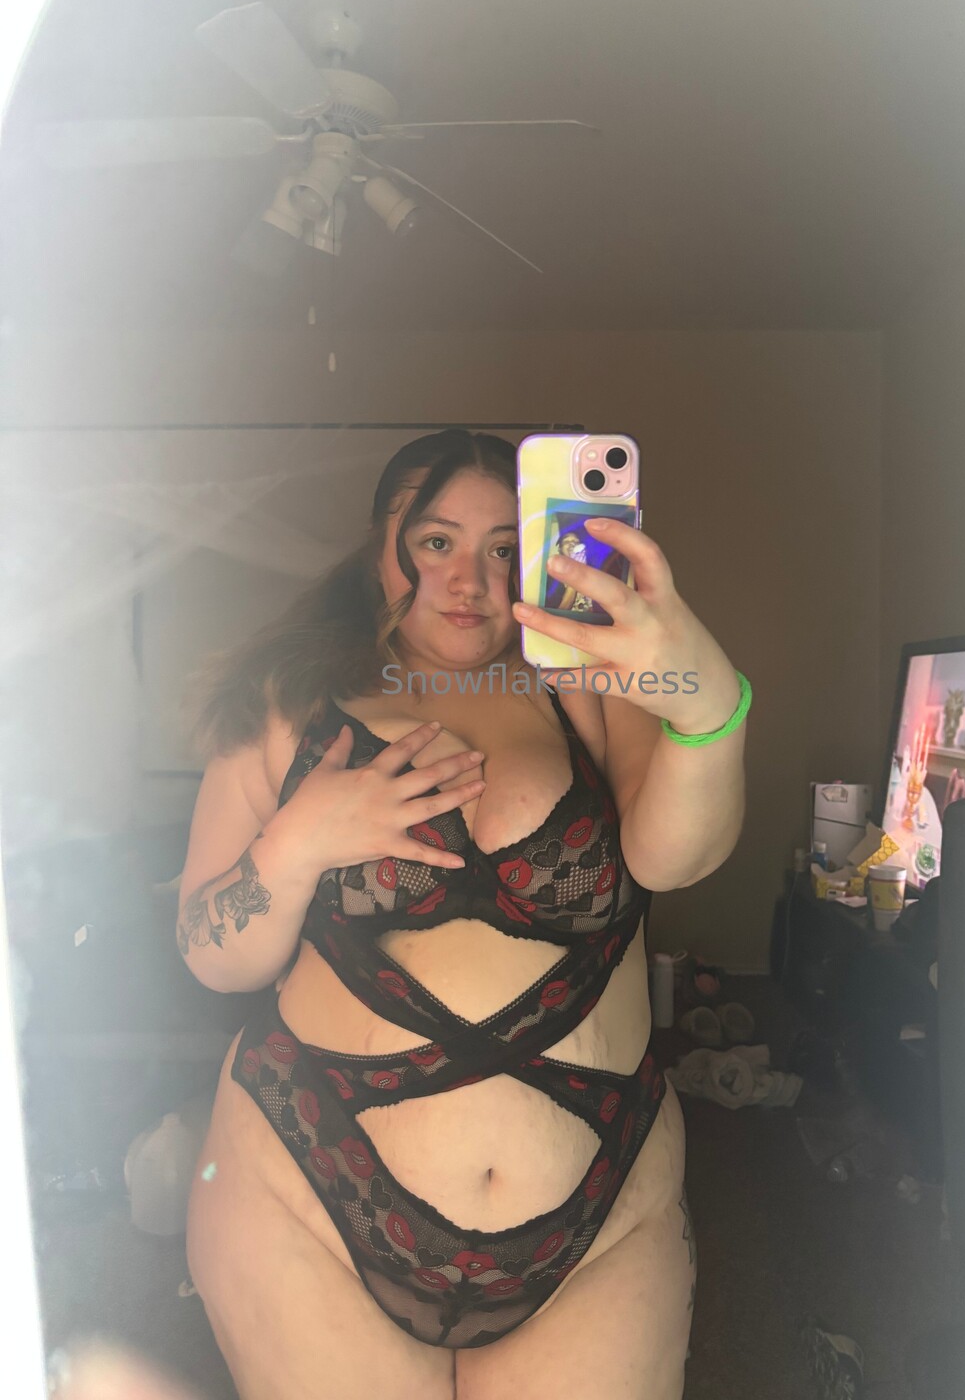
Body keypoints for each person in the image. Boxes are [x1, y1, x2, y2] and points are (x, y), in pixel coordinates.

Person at [178, 429, 747, 1400]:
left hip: (602, 1209)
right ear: (381, 547)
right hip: (306, 1184)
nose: (470, 581)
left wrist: (705, 701)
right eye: (436, 541)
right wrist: (296, 844)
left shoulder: (590, 686)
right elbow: (209, 952)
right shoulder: (288, 705)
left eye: (504, 549)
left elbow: (677, 856)